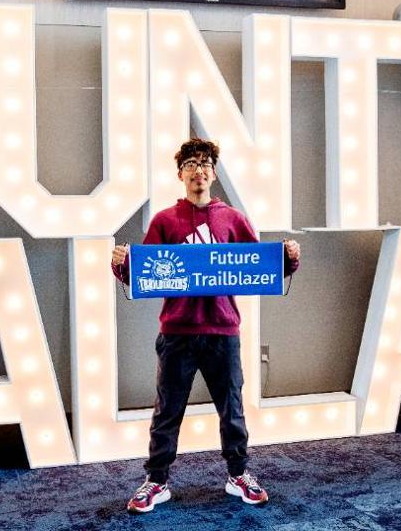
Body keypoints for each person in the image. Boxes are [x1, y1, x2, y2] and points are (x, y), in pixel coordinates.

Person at [111, 137, 301, 513]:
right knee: (168, 410)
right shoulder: (165, 220)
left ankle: (238, 474)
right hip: (177, 332)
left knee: (232, 407)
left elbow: (261, 266)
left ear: (213, 173)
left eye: (205, 164)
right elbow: (142, 273)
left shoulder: (233, 219)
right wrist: (120, 263)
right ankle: (157, 480)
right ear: (180, 173)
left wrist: (289, 258)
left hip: (222, 331)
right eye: (191, 164)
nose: (199, 170)